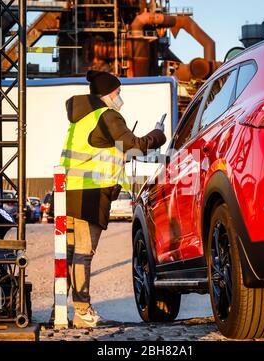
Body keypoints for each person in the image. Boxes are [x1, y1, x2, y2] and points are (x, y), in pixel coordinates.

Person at [60, 70, 166, 328]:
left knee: (71, 253)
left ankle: (62, 310)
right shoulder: (107, 116)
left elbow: (103, 151)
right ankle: (83, 312)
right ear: (108, 93)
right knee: (84, 253)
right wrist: (159, 133)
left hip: (70, 192)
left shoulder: (81, 118)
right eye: (118, 92)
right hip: (91, 194)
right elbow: (136, 145)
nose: (120, 97)